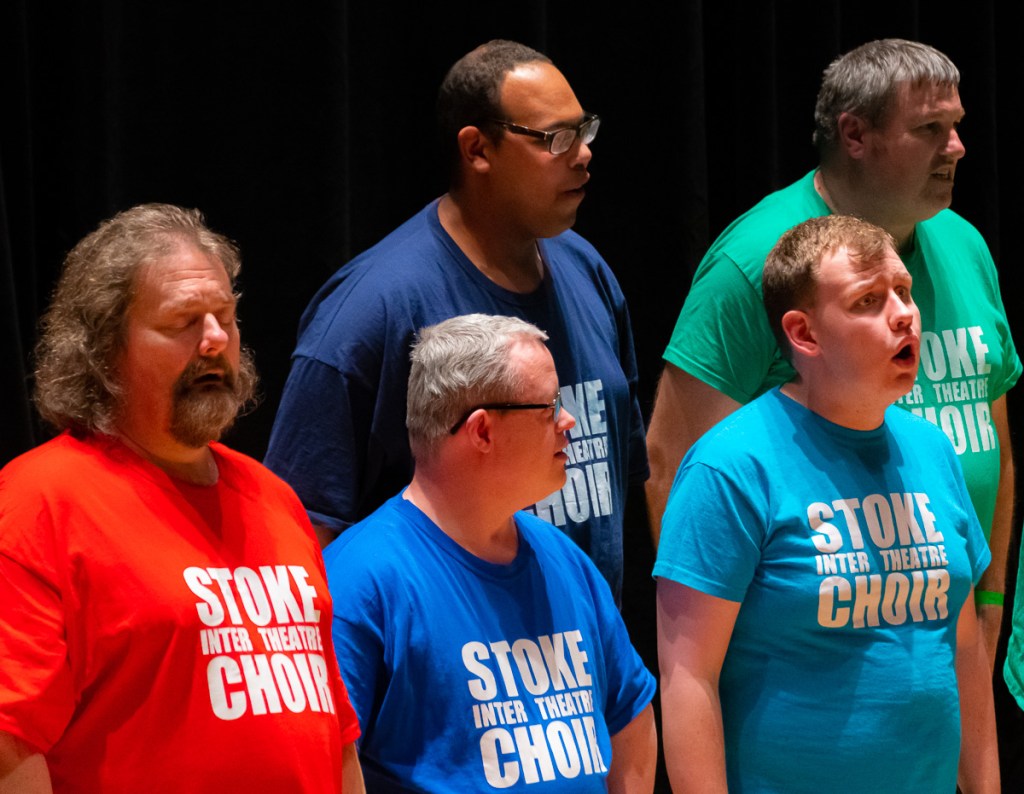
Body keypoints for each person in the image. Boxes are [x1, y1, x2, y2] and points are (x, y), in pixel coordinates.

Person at [645, 38, 1019, 665]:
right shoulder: (754, 261)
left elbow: (995, 446)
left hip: (948, 644)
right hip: (803, 664)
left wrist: (988, 602)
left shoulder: (965, 244)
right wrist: (717, 665)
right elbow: (674, 464)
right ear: (855, 134)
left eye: (956, 126)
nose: (956, 147)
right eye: (929, 128)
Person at [264, 40, 646, 602]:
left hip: (578, 646)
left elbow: (624, 478)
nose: (584, 154)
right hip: (442, 649)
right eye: (555, 139)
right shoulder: (372, 308)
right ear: (477, 149)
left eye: (584, 130)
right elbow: (299, 537)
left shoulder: (587, 271)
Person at [0, 204, 363, 793]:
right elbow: (10, 745)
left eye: (225, 317)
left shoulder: (273, 497)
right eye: (183, 322)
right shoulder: (37, 504)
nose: (216, 340)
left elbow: (334, 734)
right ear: (104, 349)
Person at [655, 215, 999, 793]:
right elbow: (688, 679)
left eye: (904, 291)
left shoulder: (934, 449)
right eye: (869, 300)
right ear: (804, 333)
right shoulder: (730, 467)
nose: (904, 314)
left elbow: (963, 648)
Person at [324, 313, 657, 792]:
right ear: (481, 431)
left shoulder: (566, 560)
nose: (568, 421)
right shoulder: (360, 581)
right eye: (549, 407)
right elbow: (327, 760)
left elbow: (629, 717)